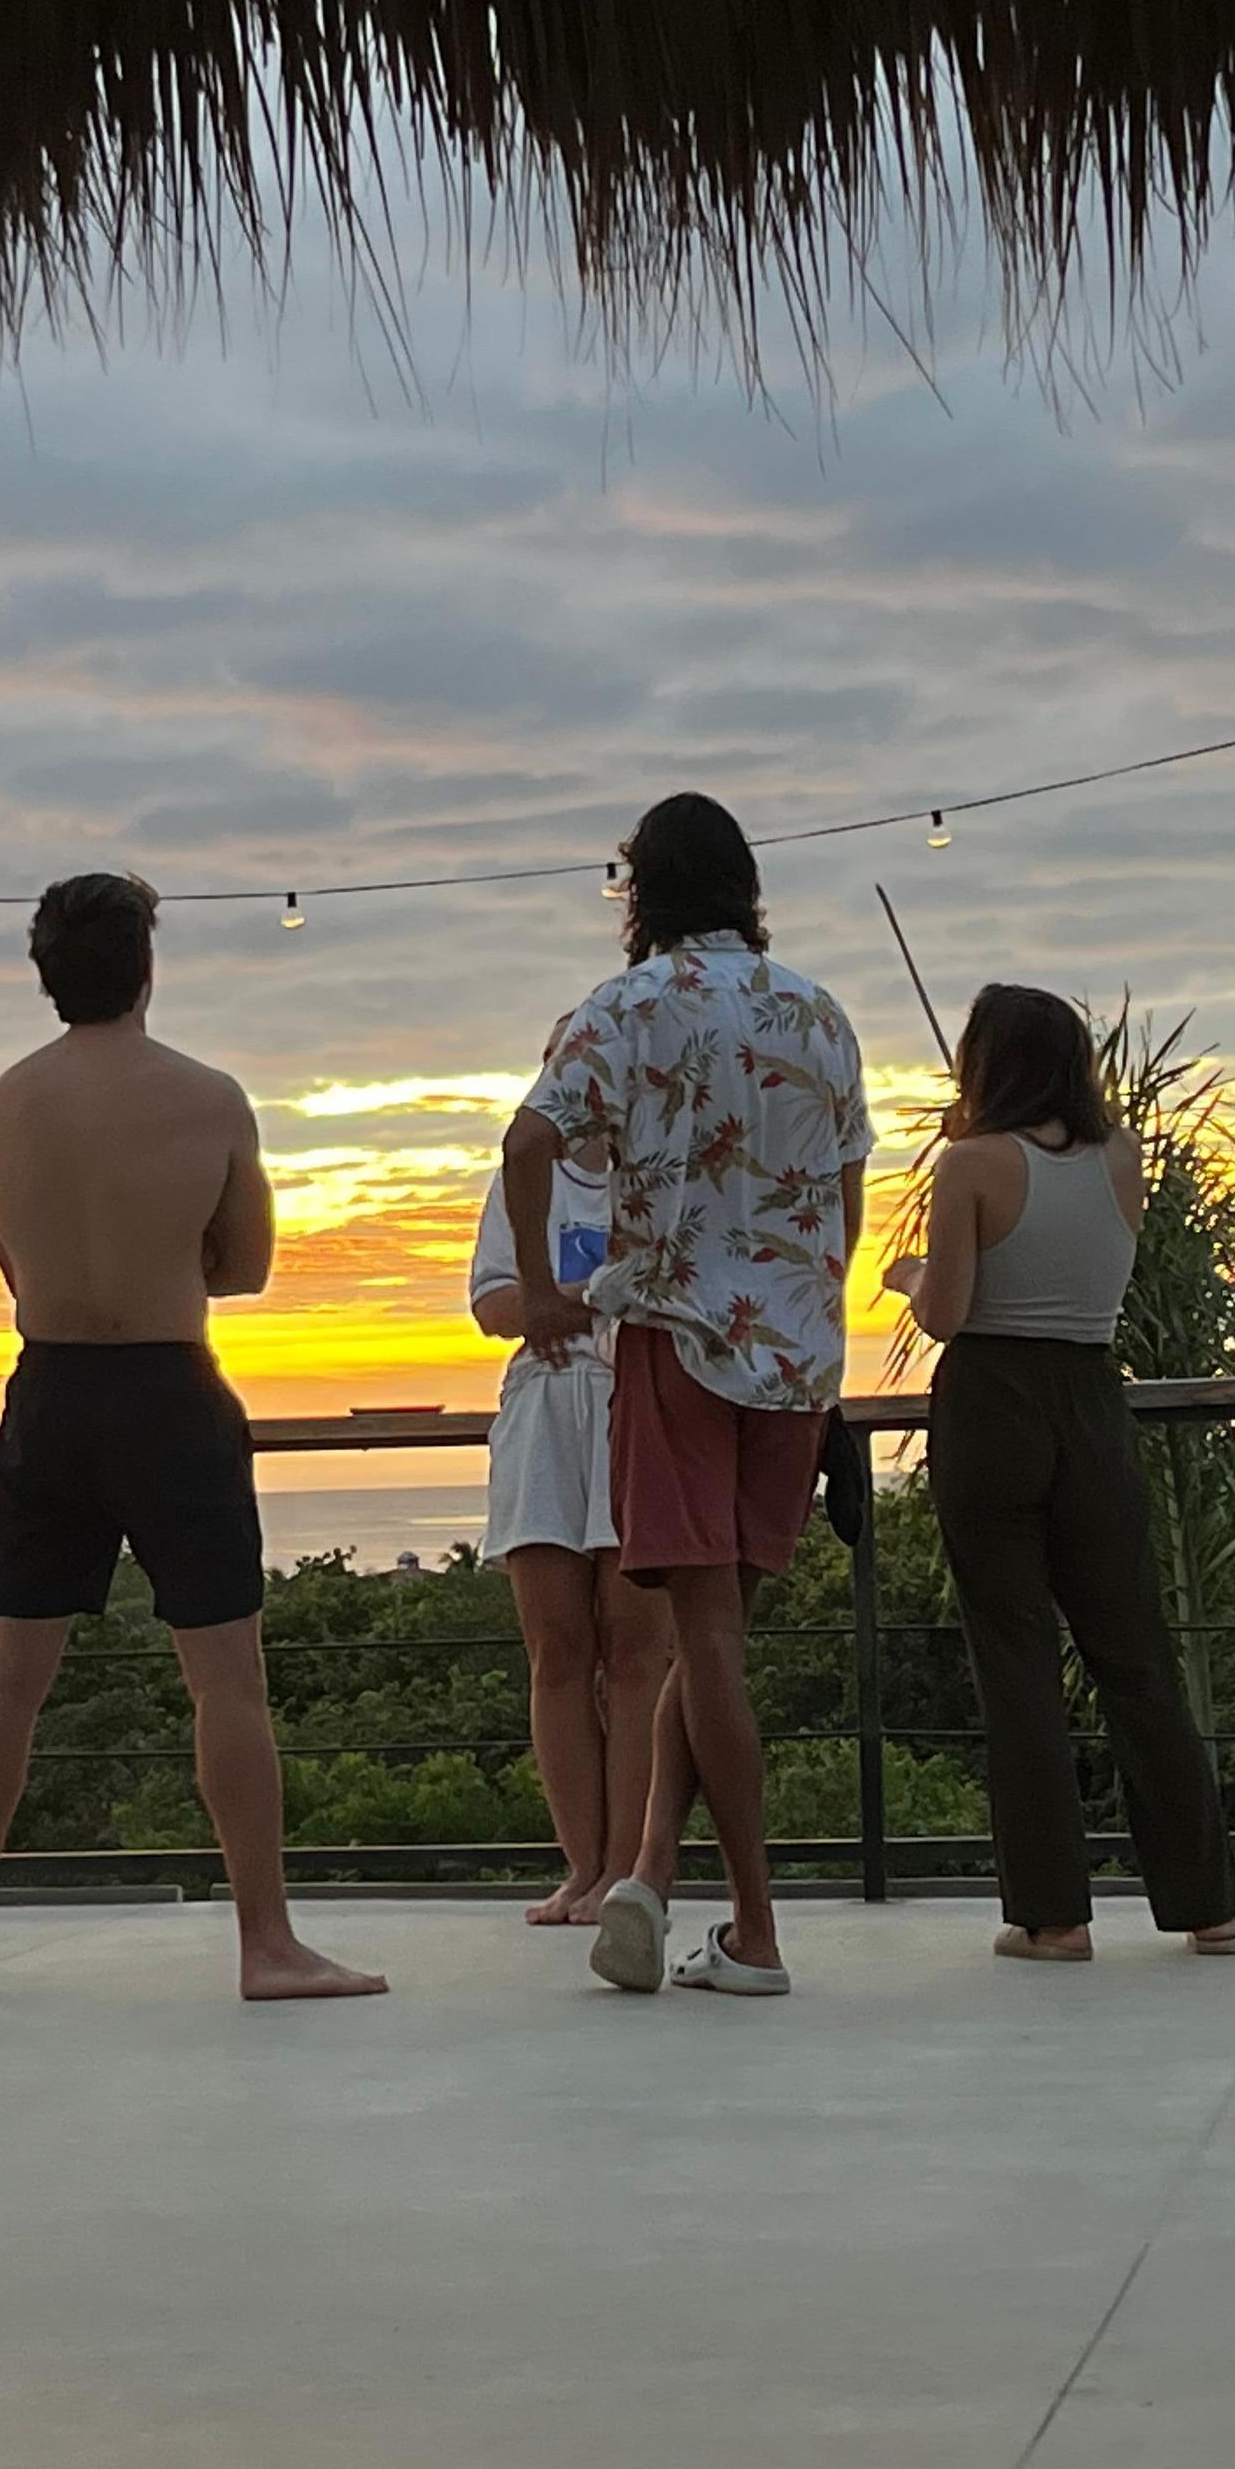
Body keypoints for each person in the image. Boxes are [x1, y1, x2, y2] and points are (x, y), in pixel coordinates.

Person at [0, 871, 385, 2008]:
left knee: (5, 1683)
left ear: (44, 971)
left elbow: (18, 1267)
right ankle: (266, 1942)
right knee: (226, 1682)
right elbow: (247, 1267)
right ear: (146, 966)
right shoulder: (206, 1096)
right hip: (171, 1388)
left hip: (52, 1391)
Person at [502, 793, 869, 1999]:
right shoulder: (818, 1013)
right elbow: (848, 1188)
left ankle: (755, 1928)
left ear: (641, 888)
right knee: (719, 1639)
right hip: (796, 1353)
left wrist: (552, 1298)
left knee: (704, 1640)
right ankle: (649, 1877)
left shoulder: (627, 1007)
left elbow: (529, 1139)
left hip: (674, 1330)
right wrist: (815, 1302)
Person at [887, 985, 1235, 1963]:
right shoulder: (1121, 1155)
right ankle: (1208, 1904)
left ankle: (1053, 1914)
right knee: (1133, 1656)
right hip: (1092, 1396)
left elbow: (949, 1310)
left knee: (1016, 1660)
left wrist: (911, 1271)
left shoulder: (969, 1163)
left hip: (993, 1399)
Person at [468, 1037, 673, 1926]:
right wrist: (594, 1291)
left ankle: (628, 1871)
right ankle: (580, 1866)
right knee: (557, 1648)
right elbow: (494, 1303)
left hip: (639, 1406)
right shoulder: (523, 1179)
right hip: (548, 1412)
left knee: (637, 1650)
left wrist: (569, 1296)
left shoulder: (659, 1174)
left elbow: (672, 1289)